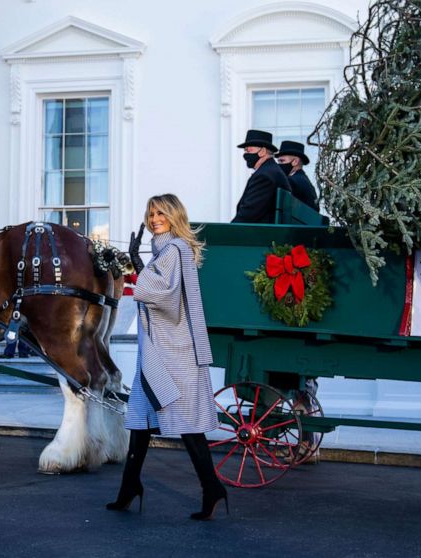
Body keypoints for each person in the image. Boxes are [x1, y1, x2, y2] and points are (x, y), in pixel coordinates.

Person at [107, 194, 227, 520]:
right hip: (161, 351)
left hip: (174, 353)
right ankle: (129, 486)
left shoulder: (173, 250)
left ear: (174, 216)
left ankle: (212, 488)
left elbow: (161, 295)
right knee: (141, 419)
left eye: (160, 213)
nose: (154, 218)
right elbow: (161, 289)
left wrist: (137, 262)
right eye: (151, 213)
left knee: (187, 425)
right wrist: (141, 262)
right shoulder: (168, 249)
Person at [231, 129, 291, 223]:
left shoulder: (264, 176)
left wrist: (226, 233)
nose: (245, 155)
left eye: (248, 150)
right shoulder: (271, 170)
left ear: (262, 151)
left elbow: (248, 214)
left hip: (262, 234)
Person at [276, 140, 320, 211]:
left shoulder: (292, 181)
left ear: (295, 161)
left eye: (282, 161)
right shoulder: (303, 180)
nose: (279, 165)